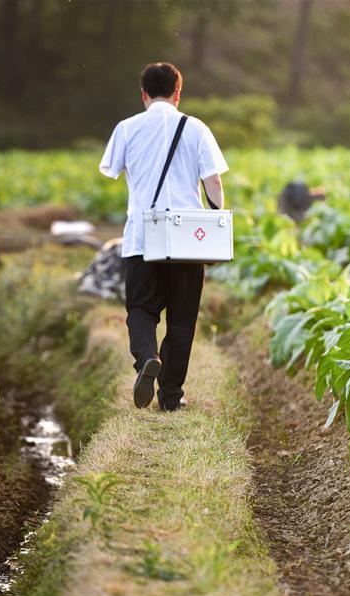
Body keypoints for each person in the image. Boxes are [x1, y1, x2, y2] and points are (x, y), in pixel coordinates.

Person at [99, 62, 227, 411]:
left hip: (142, 235)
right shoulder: (197, 128)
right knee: (182, 318)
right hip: (187, 236)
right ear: (178, 92)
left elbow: (111, 170)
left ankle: (145, 361)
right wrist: (215, 223)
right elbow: (213, 181)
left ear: (143, 94)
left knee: (141, 309)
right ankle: (171, 397)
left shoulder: (126, 128)